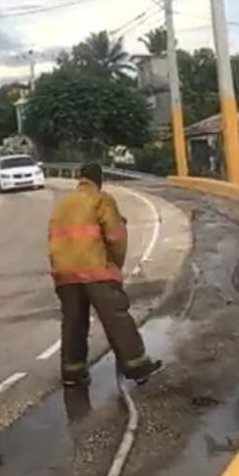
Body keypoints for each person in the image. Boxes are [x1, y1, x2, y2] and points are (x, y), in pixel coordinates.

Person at [48, 162, 162, 387]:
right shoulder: (101, 199)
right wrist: (114, 267)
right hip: (95, 271)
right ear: (99, 180)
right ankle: (136, 365)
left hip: (64, 274)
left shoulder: (62, 204)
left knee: (73, 322)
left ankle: (73, 372)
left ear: (80, 178)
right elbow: (115, 237)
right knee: (116, 317)